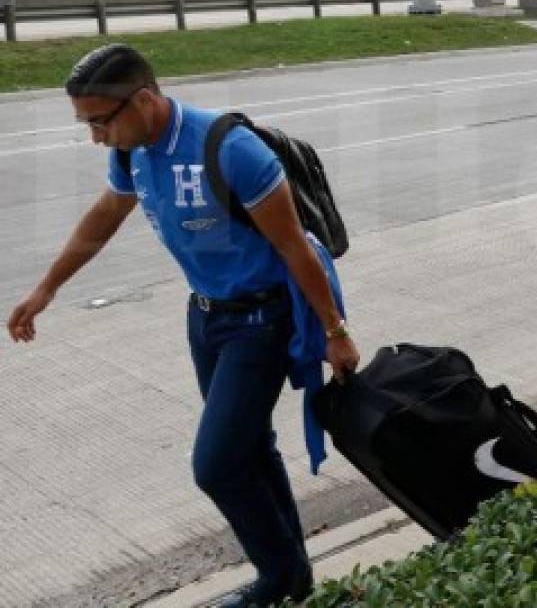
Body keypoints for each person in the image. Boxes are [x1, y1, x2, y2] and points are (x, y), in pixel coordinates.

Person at [6, 44, 360, 608]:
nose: (96, 137)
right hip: (206, 319)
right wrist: (47, 287)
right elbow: (102, 220)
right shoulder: (132, 152)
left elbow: (296, 248)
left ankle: (277, 578)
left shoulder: (230, 149)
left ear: (143, 100)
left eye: (100, 122)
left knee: (218, 465)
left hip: (262, 320)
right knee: (250, 450)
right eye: (88, 125)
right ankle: (292, 578)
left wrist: (335, 332)